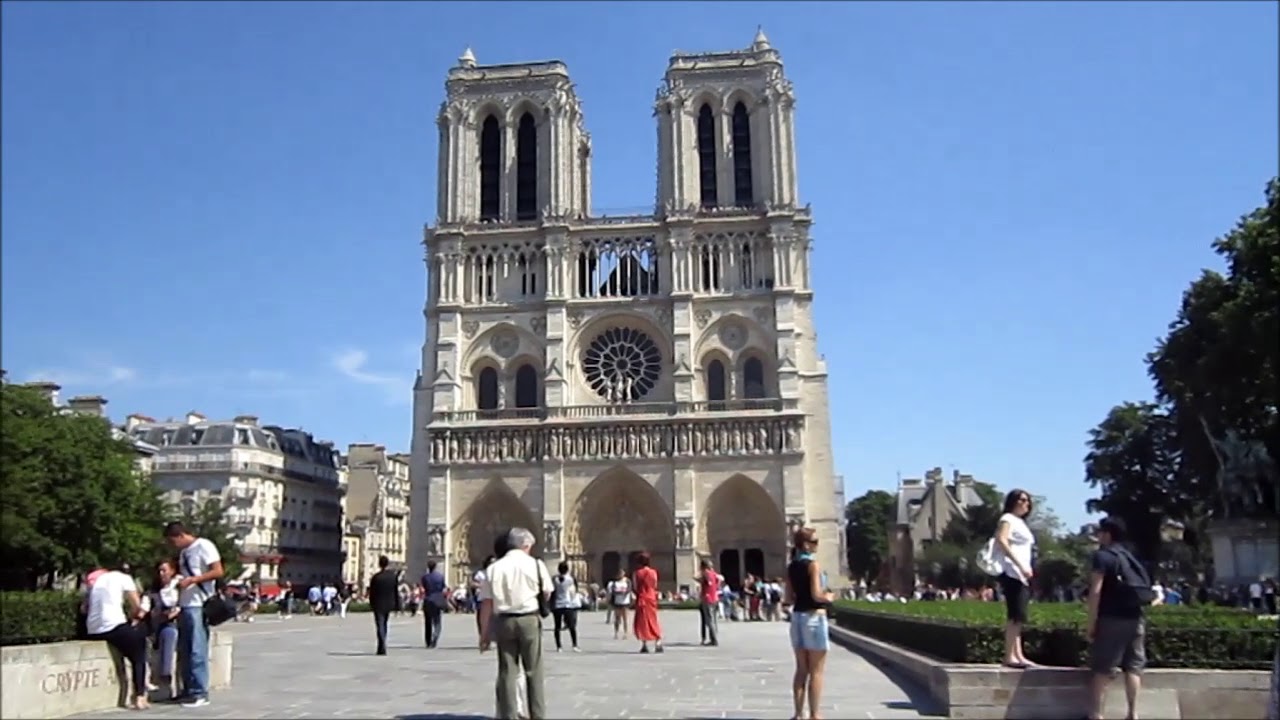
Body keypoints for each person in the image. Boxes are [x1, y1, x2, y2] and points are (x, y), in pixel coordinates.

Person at [479, 527, 552, 720]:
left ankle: (508, 716)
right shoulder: (536, 565)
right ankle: (537, 715)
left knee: (507, 672)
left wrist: (484, 634)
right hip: (529, 619)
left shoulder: (494, 568)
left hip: (504, 621)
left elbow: (486, 604)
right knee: (534, 671)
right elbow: (547, 592)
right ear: (525, 545)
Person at [1085, 517, 1150, 720]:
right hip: (1136, 617)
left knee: (1103, 669)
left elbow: (1096, 591)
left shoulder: (1102, 556)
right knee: (1133, 667)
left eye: (1100, 532)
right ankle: (1132, 713)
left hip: (1111, 618)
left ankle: (1097, 714)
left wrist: (1091, 621)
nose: (1098, 536)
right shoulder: (1130, 557)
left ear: (1107, 534)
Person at [164, 521, 224, 708]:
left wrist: (194, 579)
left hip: (198, 603)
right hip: (185, 603)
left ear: (181, 535)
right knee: (185, 650)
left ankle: (200, 692)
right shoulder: (184, 553)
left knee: (197, 649)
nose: (173, 546)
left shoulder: (203, 545)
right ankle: (188, 690)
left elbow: (218, 571)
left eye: (173, 541)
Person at [84, 564, 150, 709]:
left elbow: (85, 607)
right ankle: (140, 696)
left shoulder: (99, 580)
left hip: (93, 629)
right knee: (139, 651)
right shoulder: (124, 578)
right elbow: (136, 605)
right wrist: (134, 616)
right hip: (113, 626)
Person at [786, 527, 833, 720]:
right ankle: (815, 715)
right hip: (814, 618)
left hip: (797, 618)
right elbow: (816, 594)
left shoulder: (791, 567)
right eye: (814, 542)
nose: (817, 545)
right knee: (817, 671)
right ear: (805, 545)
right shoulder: (812, 565)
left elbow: (788, 598)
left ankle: (798, 714)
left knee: (801, 670)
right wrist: (828, 597)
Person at [993, 488, 1037, 669]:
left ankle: (1018, 654)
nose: (1025, 503)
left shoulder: (1021, 523)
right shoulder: (1007, 519)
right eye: (1021, 500)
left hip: (1022, 574)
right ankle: (1009, 655)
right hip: (1013, 572)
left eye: (1027, 501)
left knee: (1019, 615)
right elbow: (1001, 539)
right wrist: (1019, 565)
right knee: (1015, 614)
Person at [148, 558, 182, 697]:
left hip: (173, 625)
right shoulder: (154, 590)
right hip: (156, 625)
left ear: (172, 571)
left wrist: (176, 611)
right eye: (159, 571)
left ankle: (165, 676)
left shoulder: (178, 586)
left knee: (169, 633)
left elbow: (180, 605)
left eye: (164, 570)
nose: (161, 574)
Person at [631, 552, 663, 654]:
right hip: (651, 598)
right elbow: (655, 585)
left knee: (642, 622)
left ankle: (644, 645)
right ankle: (658, 642)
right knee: (653, 620)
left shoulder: (636, 573)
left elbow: (635, 587)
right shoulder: (653, 572)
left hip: (642, 598)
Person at [368, 555, 399, 655]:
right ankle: (382, 643)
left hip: (378, 604)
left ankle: (381, 644)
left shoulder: (376, 577)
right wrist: (397, 605)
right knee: (384, 624)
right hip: (389, 603)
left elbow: (372, 592)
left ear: (379, 564)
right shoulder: (392, 577)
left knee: (380, 624)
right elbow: (395, 592)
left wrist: (371, 603)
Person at [550, 561, 581, 652]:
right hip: (568, 604)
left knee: (557, 627)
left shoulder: (554, 579)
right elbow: (575, 590)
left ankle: (559, 646)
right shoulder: (571, 579)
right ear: (567, 569)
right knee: (572, 626)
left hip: (557, 604)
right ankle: (574, 645)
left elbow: (552, 591)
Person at [421, 560, 447, 648]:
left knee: (427, 622)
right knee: (437, 622)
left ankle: (428, 641)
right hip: (437, 600)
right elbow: (443, 587)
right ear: (435, 567)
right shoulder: (440, 576)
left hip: (428, 599)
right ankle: (435, 637)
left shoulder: (425, 577)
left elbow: (424, 587)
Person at [696, 559, 720, 646]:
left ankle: (714, 640)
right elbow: (720, 579)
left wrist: (701, 574)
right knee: (713, 620)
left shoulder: (705, 574)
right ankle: (713, 638)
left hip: (707, 599)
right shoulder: (714, 574)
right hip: (714, 599)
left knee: (709, 621)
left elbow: (696, 577)